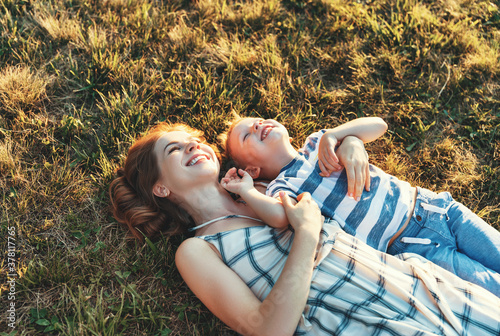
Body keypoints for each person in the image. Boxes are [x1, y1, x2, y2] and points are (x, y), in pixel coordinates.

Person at [109, 121, 500, 335]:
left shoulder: (266, 190)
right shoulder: (197, 250)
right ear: (161, 187)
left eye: (194, 141)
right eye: (175, 150)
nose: (194, 147)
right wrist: (308, 234)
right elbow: (268, 331)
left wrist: (348, 142)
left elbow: (329, 173)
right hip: (363, 322)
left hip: (422, 286)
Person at [223, 116, 500, 295]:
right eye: (247, 135)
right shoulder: (282, 188)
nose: (258, 126)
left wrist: (335, 135)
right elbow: (279, 218)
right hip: (413, 247)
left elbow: (378, 125)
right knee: (492, 289)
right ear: (253, 169)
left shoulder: (317, 143)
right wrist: (247, 191)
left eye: (258, 120)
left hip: (438, 209)